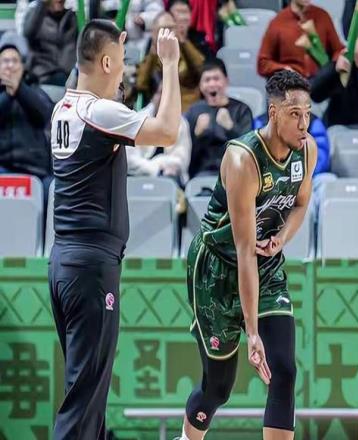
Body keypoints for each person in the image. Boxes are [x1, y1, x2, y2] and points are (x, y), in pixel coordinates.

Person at [49, 19, 181, 439]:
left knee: (88, 396)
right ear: (106, 63)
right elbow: (167, 131)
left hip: (65, 262)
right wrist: (170, 64)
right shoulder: (98, 112)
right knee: (83, 400)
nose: (125, 71)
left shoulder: (63, 107)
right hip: (91, 268)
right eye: (122, 61)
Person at [178, 69, 317, 440]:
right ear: (273, 113)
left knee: (283, 369)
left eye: (307, 114)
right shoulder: (243, 159)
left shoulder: (307, 150)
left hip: (265, 265)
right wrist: (252, 333)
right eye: (294, 114)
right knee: (218, 388)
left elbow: (301, 202)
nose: (304, 124)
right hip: (217, 269)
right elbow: (243, 252)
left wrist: (281, 239)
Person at [0, 37, 54, 201]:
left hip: (34, 170)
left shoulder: (35, 91)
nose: (10, 65)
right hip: (2, 167)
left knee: (52, 189)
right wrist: (8, 95)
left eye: (15, 61)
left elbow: (45, 115)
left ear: (23, 67)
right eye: (5, 61)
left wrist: (19, 89)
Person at [184, 58, 253, 178]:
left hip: (235, 173)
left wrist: (230, 128)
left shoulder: (242, 110)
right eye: (207, 80)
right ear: (200, 85)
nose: (212, 84)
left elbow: (249, 150)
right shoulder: (193, 111)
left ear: (226, 81)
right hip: (201, 174)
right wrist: (197, 135)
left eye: (216, 79)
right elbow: (185, 156)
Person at [136, 11, 206, 110]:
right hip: (161, 108)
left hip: (188, 107)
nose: (167, 33)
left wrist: (183, 41)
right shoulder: (152, 57)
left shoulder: (187, 51)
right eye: (163, 29)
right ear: (154, 32)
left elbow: (201, 69)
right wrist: (154, 48)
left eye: (170, 28)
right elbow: (140, 84)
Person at [257, 0, 344, 79]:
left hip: (321, 81)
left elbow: (338, 50)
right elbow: (262, 63)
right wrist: (284, 69)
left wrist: (338, 62)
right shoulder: (278, 22)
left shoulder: (322, 16)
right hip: (292, 82)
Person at [127, 81, 192, 185]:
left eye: (168, 94)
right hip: (140, 176)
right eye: (160, 92)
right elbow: (130, 160)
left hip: (169, 177)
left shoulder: (182, 123)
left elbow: (181, 160)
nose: (164, 97)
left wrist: (159, 161)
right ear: (153, 96)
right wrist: (155, 169)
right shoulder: (137, 119)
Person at [23, 0, 78, 85]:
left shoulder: (71, 17)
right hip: (43, 76)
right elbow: (27, 32)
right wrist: (41, 4)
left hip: (69, 76)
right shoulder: (37, 16)